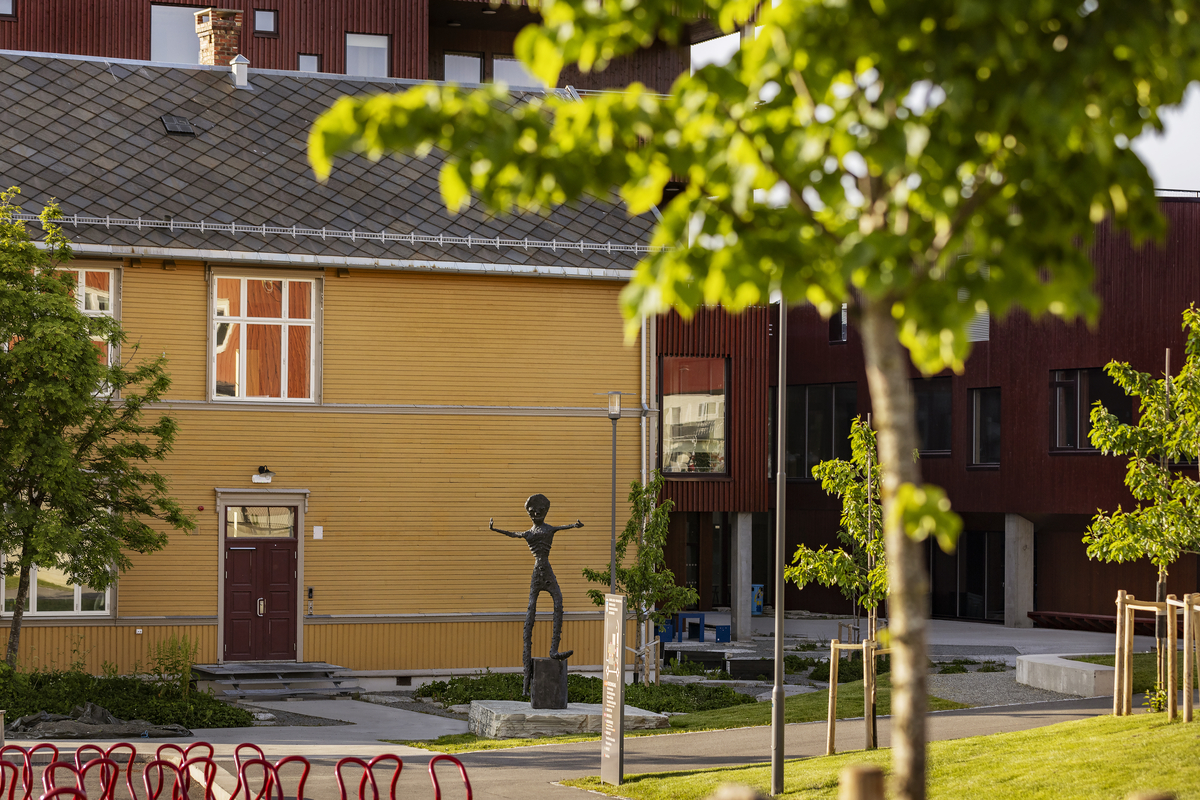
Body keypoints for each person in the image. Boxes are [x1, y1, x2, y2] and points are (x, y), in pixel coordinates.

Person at [490, 493, 583, 695]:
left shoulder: (548, 529)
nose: (536, 514)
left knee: (558, 602)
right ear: (529, 513)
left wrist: (575, 525)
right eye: (532, 511)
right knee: (530, 614)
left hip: (546, 570)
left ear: (545, 511)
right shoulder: (529, 533)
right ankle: (526, 684)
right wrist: (494, 529)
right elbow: (512, 534)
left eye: (540, 511)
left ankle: (553, 650)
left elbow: (563, 527)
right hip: (538, 572)